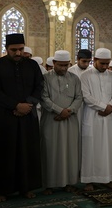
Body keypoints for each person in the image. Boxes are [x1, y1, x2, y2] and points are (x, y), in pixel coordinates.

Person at [0, 33, 43, 201]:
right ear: (6, 49)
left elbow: (39, 87)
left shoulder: (32, 65)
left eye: (21, 49)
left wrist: (28, 104)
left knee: (28, 152)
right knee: (5, 152)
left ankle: (26, 188)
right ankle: (3, 190)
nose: (18, 53)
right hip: (4, 117)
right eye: (14, 50)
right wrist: (16, 105)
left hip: (28, 116)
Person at [40, 50, 83, 195]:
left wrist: (68, 111)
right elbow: (44, 98)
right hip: (51, 120)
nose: (64, 68)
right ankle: (49, 184)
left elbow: (79, 98)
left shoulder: (75, 78)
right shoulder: (45, 78)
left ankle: (69, 183)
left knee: (70, 151)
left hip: (70, 120)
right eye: (60, 65)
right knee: (50, 151)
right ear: (53, 63)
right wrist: (59, 111)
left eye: (66, 65)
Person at [80, 48, 112, 191]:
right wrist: (103, 106)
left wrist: (110, 106)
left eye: (107, 64)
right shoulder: (85, 76)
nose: (104, 66)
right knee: (91, 148)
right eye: (102, 63)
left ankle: (106, 178)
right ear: (95, 60)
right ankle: (89, 180)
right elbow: (86, 96)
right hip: (92, 116)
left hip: (109, 116)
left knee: (108, 148)